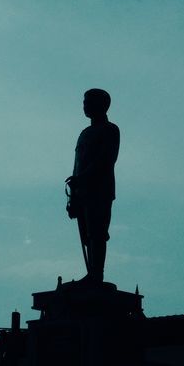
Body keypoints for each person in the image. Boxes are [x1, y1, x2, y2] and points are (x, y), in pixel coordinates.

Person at [66, 88, 119, 282]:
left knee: (97, 233)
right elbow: (77, 163)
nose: (84, 106)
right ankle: (91, 273)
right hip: (82, 191)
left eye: (88, 101)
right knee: (86, 235)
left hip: (100, 190)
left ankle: (97, 274)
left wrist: (84, 178)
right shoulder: (84, 133)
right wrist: (74, 192)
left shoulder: (110, 130)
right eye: (84, 102)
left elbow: (106, 160)